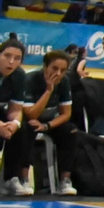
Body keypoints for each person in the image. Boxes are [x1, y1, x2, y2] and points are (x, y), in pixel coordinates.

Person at [7, 50, 82, 195]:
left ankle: (65, 181)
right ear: (44, 66)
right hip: (30, 121)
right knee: (28, 128)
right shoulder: (29, 80)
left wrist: (47, 125)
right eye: (54, 68)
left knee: (70, 130)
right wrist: (48, 91)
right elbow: (31, 114)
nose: (58, 73)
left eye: (63, 70)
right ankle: (23, 178)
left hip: (48, 123)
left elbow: (66, 114)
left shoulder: (64, 81)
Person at [0, 40, 31, 194]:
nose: (11, 61)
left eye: (17, 58)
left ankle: (11, 178)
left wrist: (14, 124)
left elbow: (16, 108)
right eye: (7, 56)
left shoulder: (19, 75)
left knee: (22, 128)